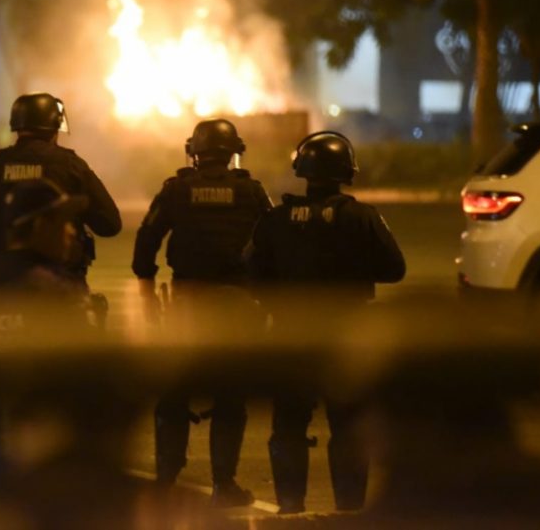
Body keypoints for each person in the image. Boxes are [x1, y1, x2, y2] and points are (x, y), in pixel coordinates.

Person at [245, 130, 406, 514]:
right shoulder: (362, 217)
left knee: (287, 428)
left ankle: (289, 510)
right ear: (346, 171)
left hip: (290, 337)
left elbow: (251, 272)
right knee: (349, 429)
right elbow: (394, 269)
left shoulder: (276, 219)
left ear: (301, 169)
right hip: (346, 339)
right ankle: (349, 512)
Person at [132, 118, 271, 506]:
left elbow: (147, 239)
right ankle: (224, 484)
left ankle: (165, 481)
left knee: (174, 392)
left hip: (187, 303)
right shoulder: (251, 191)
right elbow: (271, 240)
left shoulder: (176, 190)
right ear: (233, 152)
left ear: (194, 151)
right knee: (230, 397)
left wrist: (146, 283)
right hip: (237, 306)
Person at [0, 178, 92, 494]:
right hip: (43, 456)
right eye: (63, 222)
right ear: (40, 225)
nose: (71, 232)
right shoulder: (60, 295)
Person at [0, 92, 121, 282]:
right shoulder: (71, 166)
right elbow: (110, 224)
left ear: (17, 125)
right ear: (55, 126)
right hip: (61, 280)